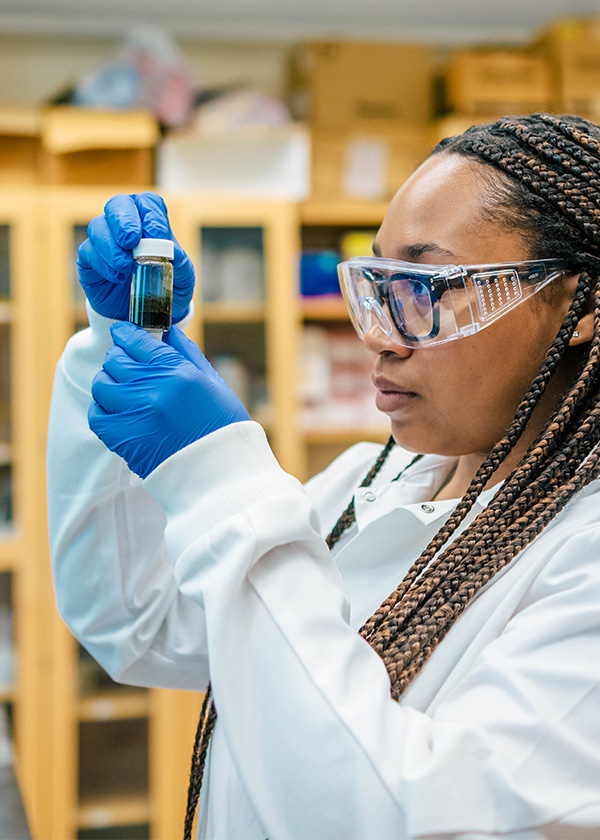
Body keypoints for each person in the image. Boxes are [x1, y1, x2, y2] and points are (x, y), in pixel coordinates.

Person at [47, 113, 600, 840]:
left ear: (580, 304)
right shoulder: (372, 481)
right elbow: (141, 623)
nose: (376, 332)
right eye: (378, 283)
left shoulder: (582, 554)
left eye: (427, 286)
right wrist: (112, 341)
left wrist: (222, 481)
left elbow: (397, 817)